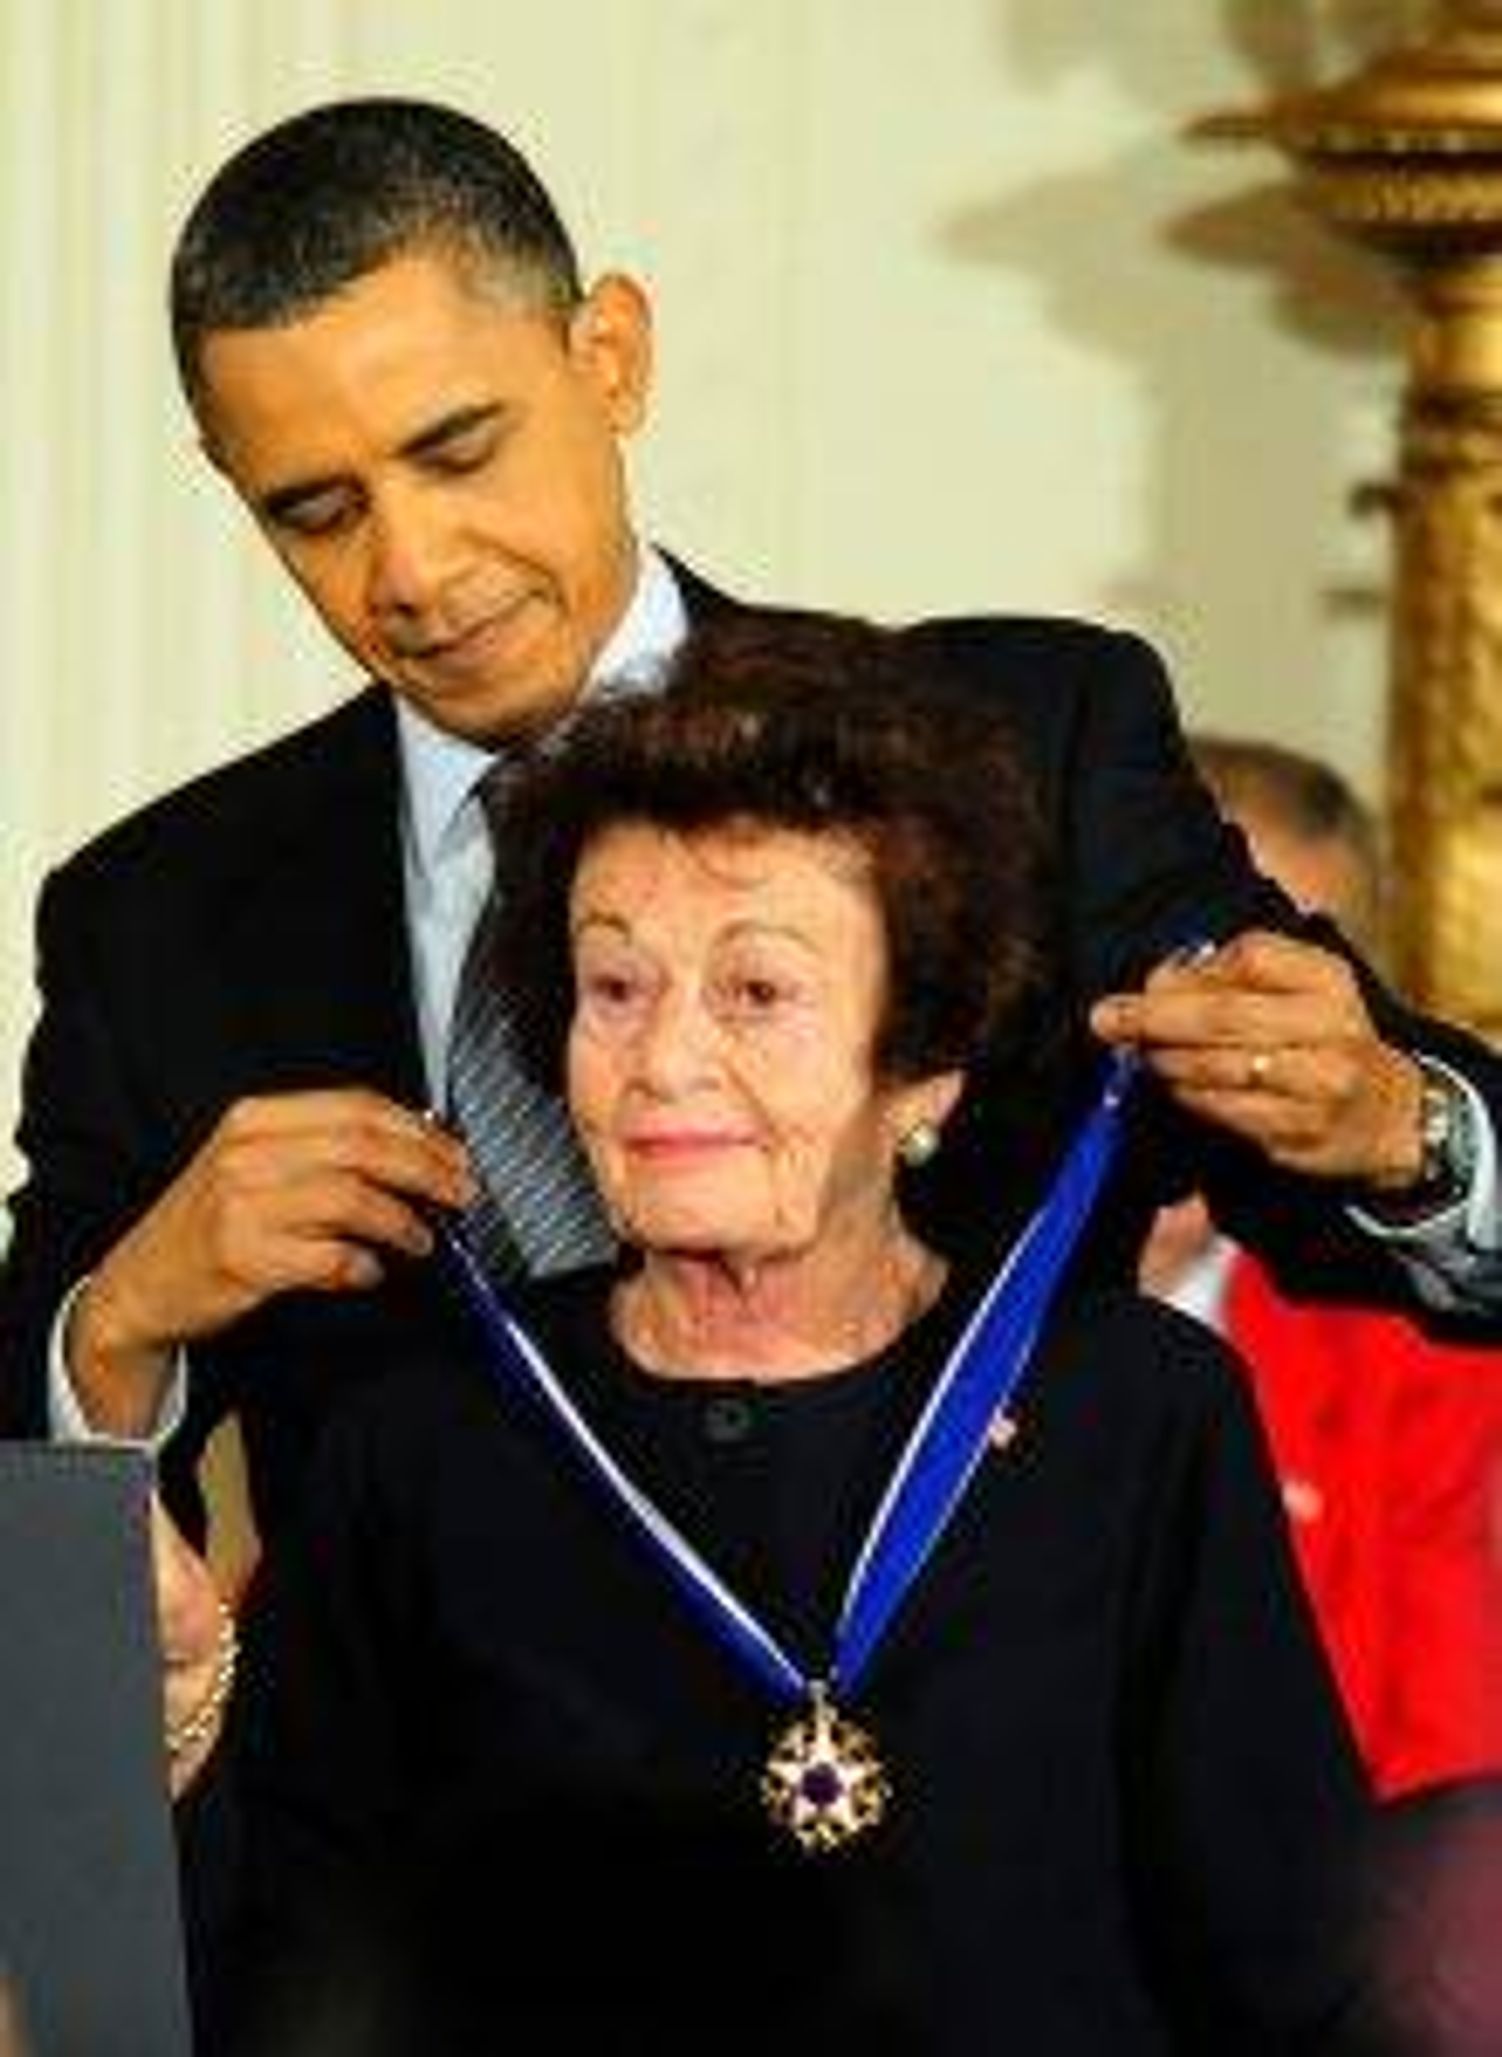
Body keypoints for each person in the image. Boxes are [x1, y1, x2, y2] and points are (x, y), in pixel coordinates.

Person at [2, 97, 1499, 1554]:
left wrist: (1402, 1128)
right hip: (420, 1799)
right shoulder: (158, 917)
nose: (411, 564)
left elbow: (1374, 1174)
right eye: (315, 512)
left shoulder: (1018, 746)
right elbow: (40, 1513)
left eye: (460, 452)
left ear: (610, 356)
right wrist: (122, 1319)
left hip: (980, 1755)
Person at [165, 616, 1385, 2053]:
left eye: (756, 992)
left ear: (923, 1062)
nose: (665, 1059)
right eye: (614, 988)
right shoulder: (422, 1438)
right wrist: (185, 1732)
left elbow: (1294, 1981)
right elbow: (288, 1985)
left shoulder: (1134, 1411)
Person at [1140, 735, 1502, 1804]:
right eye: (1184, 968)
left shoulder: (1423, 1363)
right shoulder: (873, 1305)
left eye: (1287, 990)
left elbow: (1453, 1780)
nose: (1233, 1038)